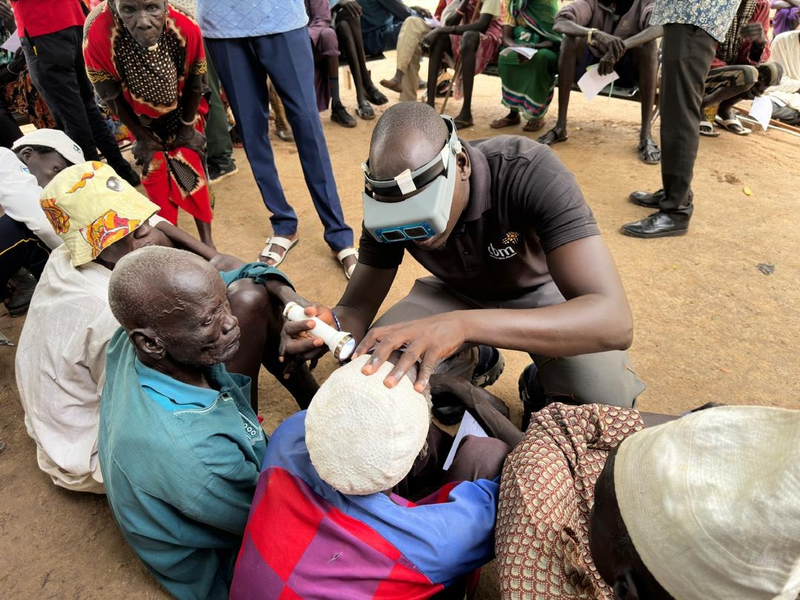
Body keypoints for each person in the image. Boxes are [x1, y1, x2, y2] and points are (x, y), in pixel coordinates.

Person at [283, 103, 645, 420]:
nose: (415, 231)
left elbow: (614, 321)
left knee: (602, 405)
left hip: (539, 293)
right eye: (399, 219)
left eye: (423, 209)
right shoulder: (386, 203)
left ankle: (541, 380)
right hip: (454, 295)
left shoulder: (528, 170)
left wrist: (463, 327)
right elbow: (357, 307)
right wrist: (331, 326)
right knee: (378, 372)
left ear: (460, 164)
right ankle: (471, 362)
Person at [16, 161, 317, 494]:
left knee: (249, 296)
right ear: (97, 245)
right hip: (98, 449)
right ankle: (243, 443)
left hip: (78, 423)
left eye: (140, 221)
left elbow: (219, 261)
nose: (144, 232)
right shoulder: (110, 312)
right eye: (126, 231)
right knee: (242, 306)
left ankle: (311, 401)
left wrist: (290, 299)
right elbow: (148, 400)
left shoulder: (81, 249)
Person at [230, 357, 519, 599]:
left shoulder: (289, 434)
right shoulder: (434, 545)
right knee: (488, 455)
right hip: (418, 553)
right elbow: (529, 459)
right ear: (418, 453)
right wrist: (467, 393)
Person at [496, 403, 800, 599]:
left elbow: (559, 424)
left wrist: (470, 395)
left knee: (482, 457)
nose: (592, 493)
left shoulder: (539, 588)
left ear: (625, 589)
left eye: (599, 500)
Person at [100, 246, 268, 598]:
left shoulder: (140, 335)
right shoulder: (192, 452)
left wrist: (288, 296)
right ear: (150, 342)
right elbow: (265, 519)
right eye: (208, 321)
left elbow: (226, 273)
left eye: (223, 302)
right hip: (220, 566)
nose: (229, 321)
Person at [196, 0, 359, 278]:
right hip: (221, 22)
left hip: (281, 17)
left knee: (308, 125)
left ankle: (339, 233)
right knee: (250, 127)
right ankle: (283, 223)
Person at [84, 0, 216, 247]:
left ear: (165, 4)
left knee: (190, 161)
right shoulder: (96, 32)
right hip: (138, 115)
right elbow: (109, 93)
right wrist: (142, 138)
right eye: (129, 11)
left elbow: (196, 81)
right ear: (115, 8)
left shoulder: (185, 25)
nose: (143, 23)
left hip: (184, 106)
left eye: (152, 8)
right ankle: (171, 242)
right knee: (154, 171)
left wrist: (188, 128)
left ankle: (207, 243)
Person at [623, 0, 742, 238]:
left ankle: (676, 210)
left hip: (695, 17)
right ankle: (675, 193)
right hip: (686, 17)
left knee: (680, 115)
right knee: (672, 110)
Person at [10, 0, 140, 187]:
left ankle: (95, 181)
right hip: (74, 23)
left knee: (70, 113)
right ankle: (121, 170)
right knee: (86, 106)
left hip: (42, 29)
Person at [534, 0, 661, 165]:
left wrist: (621, 47)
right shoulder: (593, 2)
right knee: (570, 41)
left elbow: (659, 27)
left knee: (649, 47)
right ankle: (560, 127)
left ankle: (645, 136)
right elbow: (561, 22)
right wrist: (594, 34)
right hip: (593, 65)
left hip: (627, 70)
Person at [0, 129, 84, 315]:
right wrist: (87, 260)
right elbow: (43, 224)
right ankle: (67, 301)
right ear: (27, 155)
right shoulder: (4, 159)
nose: (59, 183)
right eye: (57, 170)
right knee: (30, 229)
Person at [167, 0, 239, 183]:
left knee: (204, 92)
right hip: (183, 28)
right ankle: (213, 157)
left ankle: (221, 160)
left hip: (187, 28)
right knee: (201, 91)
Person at [423, 0, 503, 129]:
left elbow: (482, 26)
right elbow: (450, 22)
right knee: (440, 39)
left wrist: (441, 29)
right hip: (464, 33)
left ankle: (466, 113)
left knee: (468, 37)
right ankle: (429, 107)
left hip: (487, 36)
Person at [700, 0, 775, 137]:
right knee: (746, 74)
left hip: (733, 67)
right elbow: (700, 49)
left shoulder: (760, 4)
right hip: (701, 65)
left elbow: (757, 56)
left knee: (772, 72)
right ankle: (701, 106)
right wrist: (731, 70)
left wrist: (759, 44)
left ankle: (724, 107)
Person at [489, 0, 562, 133]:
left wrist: (534, 46)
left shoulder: (547, 3)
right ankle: (513, 113)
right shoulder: (511, 3)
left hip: (545, 49)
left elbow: (553, 39)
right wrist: (516, 47)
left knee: (539, 59)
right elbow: (507, 37)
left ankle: (537, 116)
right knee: (506, 57)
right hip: (521, 46)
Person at [331, 0, 390, 118]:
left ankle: (362, 95)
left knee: (347, 20)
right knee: (346, 19)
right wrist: (338, 3)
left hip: (341, 25)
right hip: (321, 26)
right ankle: (366, 86)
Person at [306, 0, 359, 126]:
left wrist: (305, 37)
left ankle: (337, 105)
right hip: (284, 42)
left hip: (310, 41)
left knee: (329, 35)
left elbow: (322, 19)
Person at [357, 0, 431, 56]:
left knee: (413, 26)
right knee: (417, 29)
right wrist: (426, 18)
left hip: (368, 36)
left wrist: (413, 10)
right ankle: (436, 67)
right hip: (373, 39)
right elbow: (405, 13)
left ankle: (408, 73)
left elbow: (397, 9)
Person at [766, 30, 800, 125]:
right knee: (765, 105)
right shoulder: (782, 40)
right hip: (781, 94)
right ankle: (795, 116)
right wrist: (798, 86)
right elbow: (775, 79)